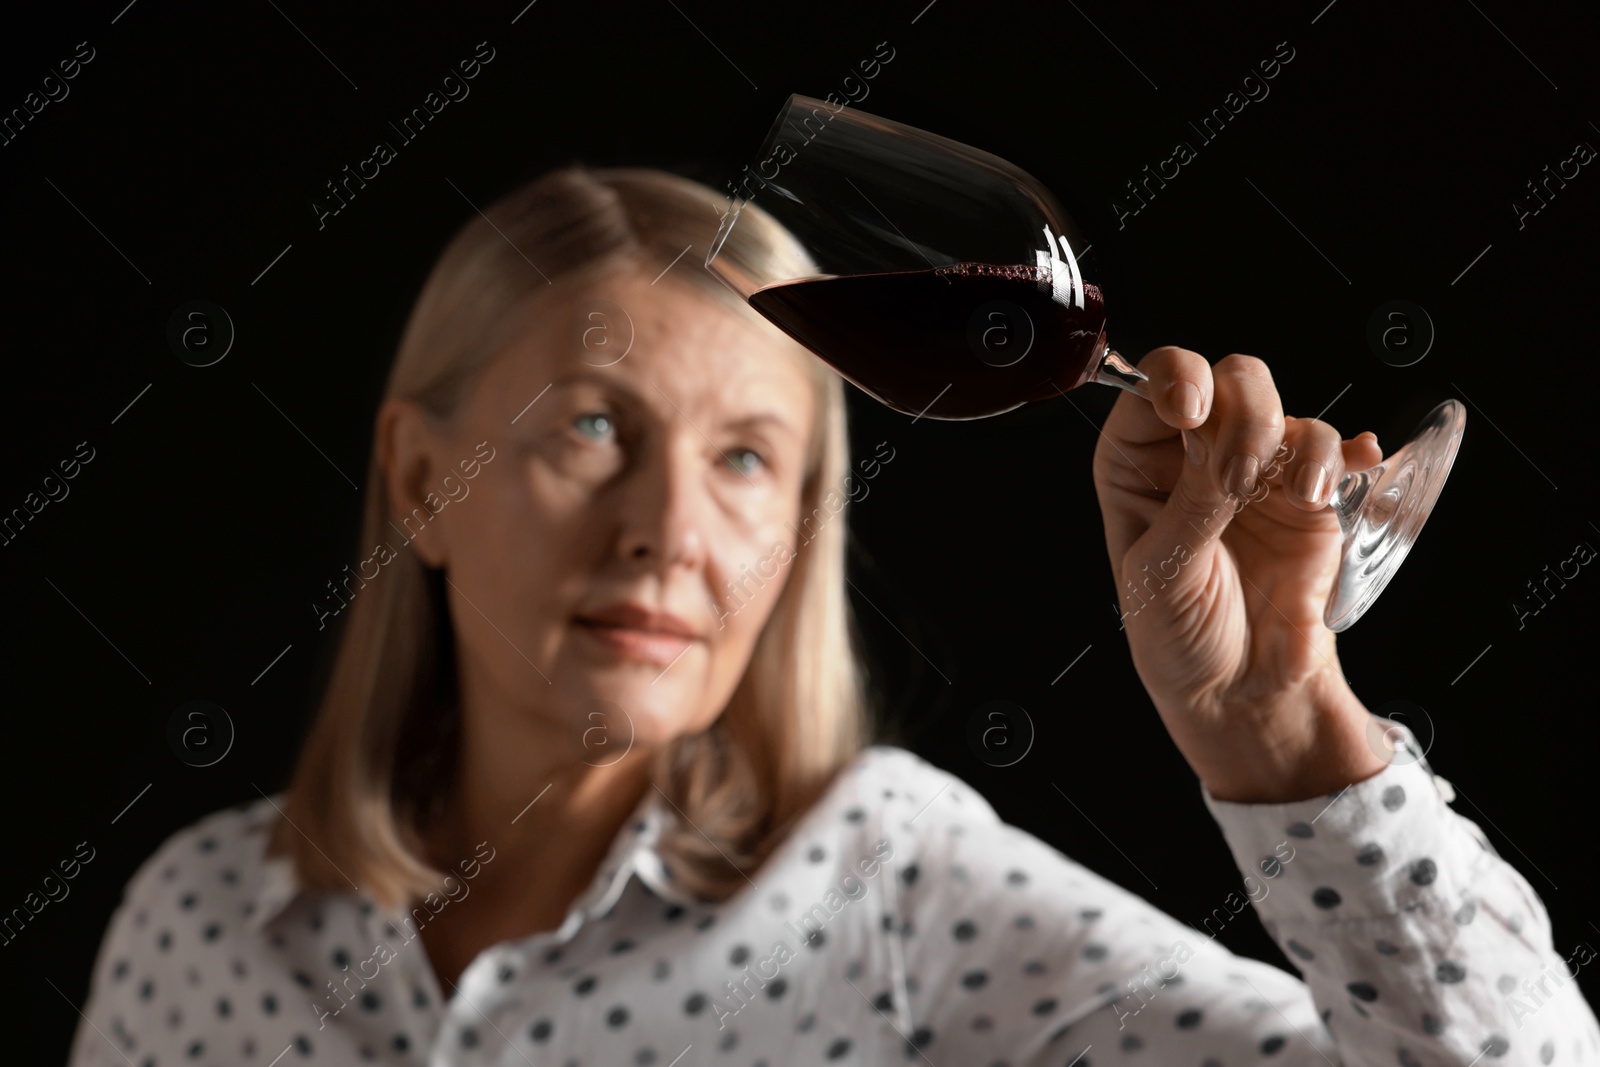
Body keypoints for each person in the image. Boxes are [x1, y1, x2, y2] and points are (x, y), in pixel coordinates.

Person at [67, 165, 1597, 1066]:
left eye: (746, 458)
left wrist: (1276, 727)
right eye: (591, 427)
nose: (670, 529)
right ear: (423, 480)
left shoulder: (889, 889)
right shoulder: (199, 926)